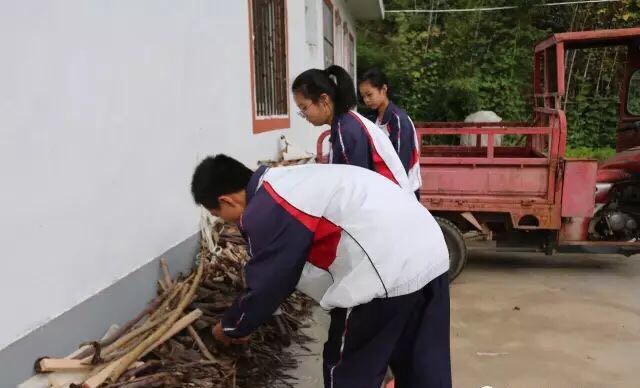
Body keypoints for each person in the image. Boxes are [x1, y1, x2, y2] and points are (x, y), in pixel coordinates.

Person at [191, 154, 452, 388]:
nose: (229, 221)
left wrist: (231, 326)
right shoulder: (290, 180)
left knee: (348, 371)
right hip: (429, 251)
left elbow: (270, 283)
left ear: (226, 200)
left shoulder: (266, 208)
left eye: (219, 213)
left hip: (383, 269)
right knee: (423, 361)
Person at [292, 65, 412, 193]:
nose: (304, 115)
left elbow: (356, 190)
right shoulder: (344, 123)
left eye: (304, 108)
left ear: (324, 100)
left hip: (392, 200)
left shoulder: (346, 131)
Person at [358, 68, 422, 199]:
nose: (366, 100)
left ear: (384, 89)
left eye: (369, 95)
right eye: (363, 96)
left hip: (403, 189)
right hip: (384, 187)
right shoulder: (373, 120)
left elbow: (400, 163)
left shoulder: (398, 120)